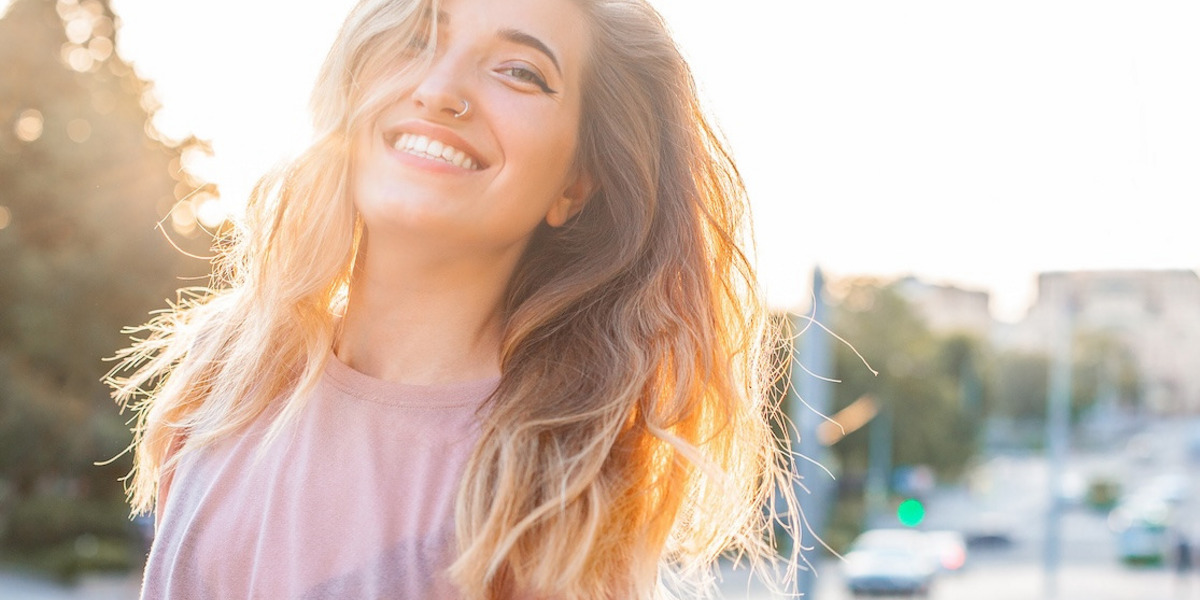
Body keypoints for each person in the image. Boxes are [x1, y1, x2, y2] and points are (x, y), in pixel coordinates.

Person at [109, 0, 798, 597]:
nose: (441, 89)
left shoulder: (549, 491)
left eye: (520, 72)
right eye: (418, 39)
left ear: (575, 183)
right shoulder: (224, 373)